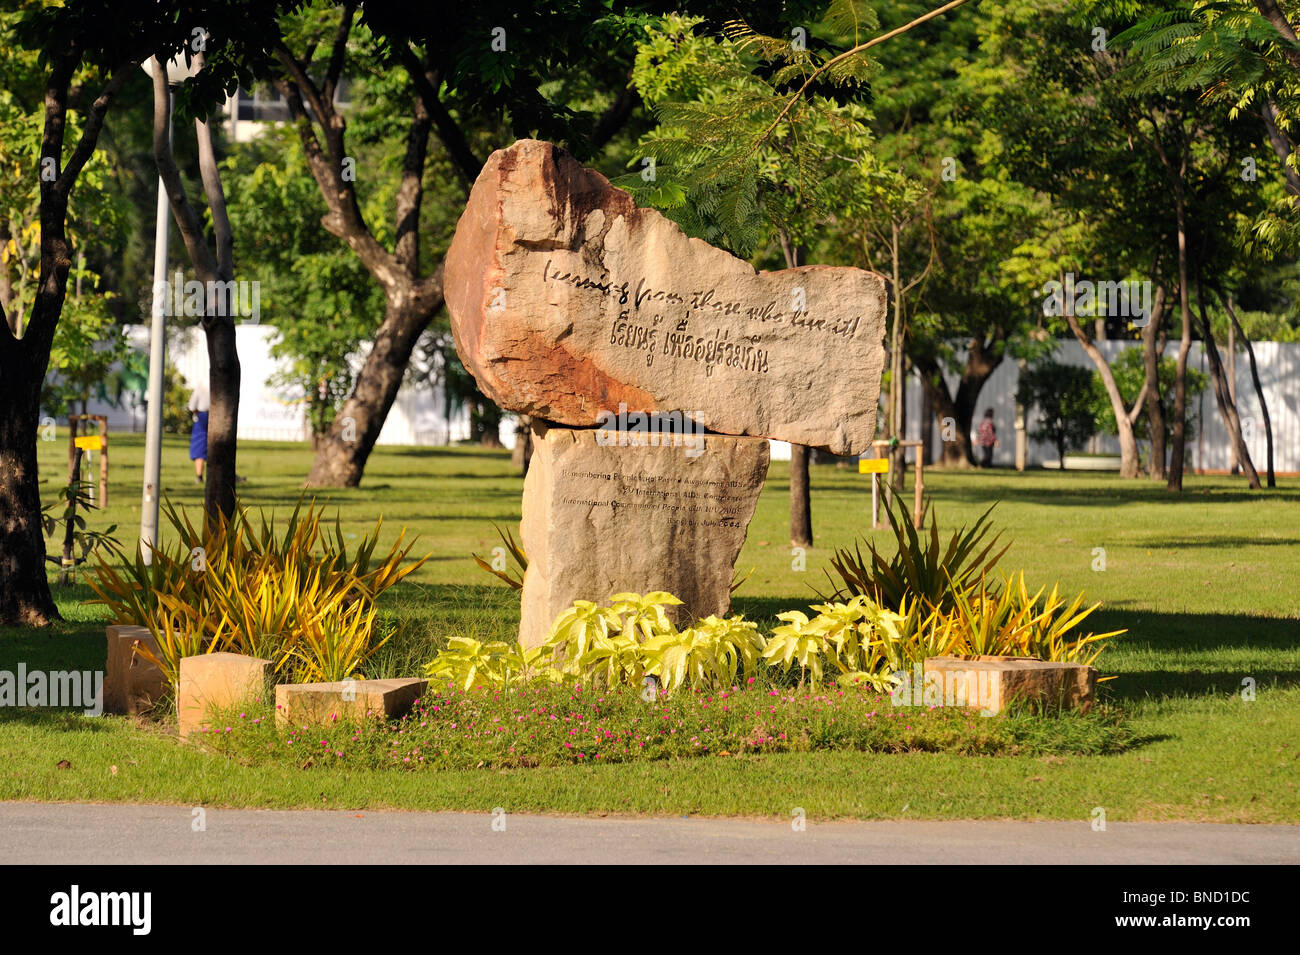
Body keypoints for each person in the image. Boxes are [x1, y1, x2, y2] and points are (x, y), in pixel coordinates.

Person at [189, 382, 209, 483]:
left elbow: (192, 405)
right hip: (219, 416)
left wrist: (195, 413)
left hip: (202, 415)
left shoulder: (202, 386)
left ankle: (199, 476)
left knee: (199, 445)